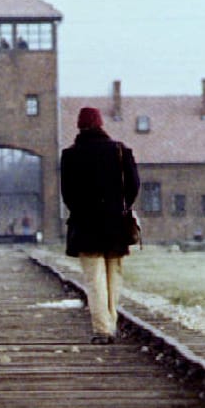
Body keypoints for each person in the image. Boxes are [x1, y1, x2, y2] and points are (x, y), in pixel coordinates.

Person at [59, 106, 139, 343]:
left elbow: (68, 194)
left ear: (79, 126)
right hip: (115, 223)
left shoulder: (70, 155)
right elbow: (133, 186)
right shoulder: (119, 151)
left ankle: (102, 329)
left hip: (86, 225)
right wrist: (119, 207)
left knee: (94, 278)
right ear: (101, 124)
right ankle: (111, 321)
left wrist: (82, 210)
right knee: (113, 274)